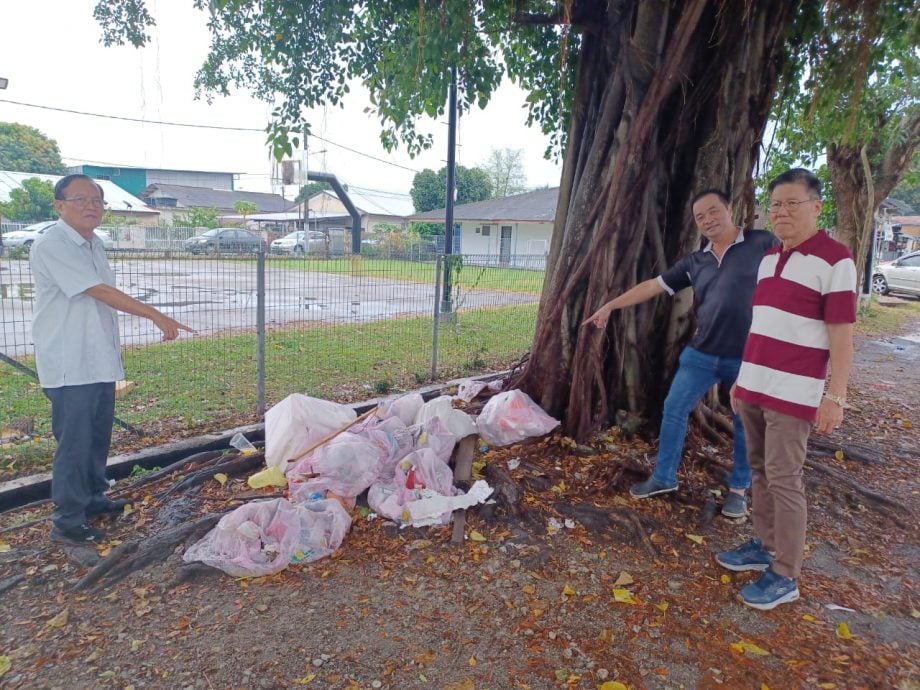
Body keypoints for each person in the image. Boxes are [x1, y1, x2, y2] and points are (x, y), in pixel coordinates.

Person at [583, 189, 778, 518]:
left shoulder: (762, 243)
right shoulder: (695, 261)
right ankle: (663, 477)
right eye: (700, 217)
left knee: (745, 421)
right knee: (673, 409)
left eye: (713, 212)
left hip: (747, 356)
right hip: (701, 354)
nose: (708, 220)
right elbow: (652, 286)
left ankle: (738, 490)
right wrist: (611, 305)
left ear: (730, 209)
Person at [718, 168, 856, 610]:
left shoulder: (836, 261)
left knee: (784, 479)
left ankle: (786, 573)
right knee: (758, 470)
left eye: (792, 204)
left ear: (816, 207)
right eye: (775, 204)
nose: (781, 212)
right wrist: (742, 378)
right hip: (755, 385)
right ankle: (762, 543)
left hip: (794, 393)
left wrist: (835, 395)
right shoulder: (768, 259)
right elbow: (761, 327)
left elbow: (841, 335)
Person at [31, 174, 194, 545]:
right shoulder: (52, 244)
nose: (91, 206)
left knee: (96, 436)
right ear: (59, 206)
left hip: (97, 358)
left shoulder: (93, 244)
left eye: (97, 200)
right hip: (69, 362)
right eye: (81, 199)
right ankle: (68, 522)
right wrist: (155, 314)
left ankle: (93, 499)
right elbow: (98, 290)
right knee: (74, 442)